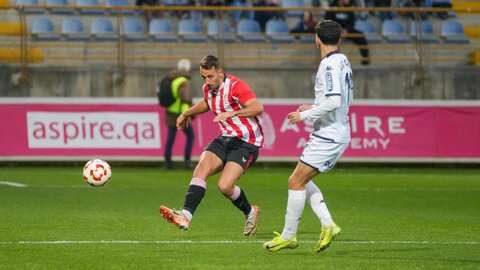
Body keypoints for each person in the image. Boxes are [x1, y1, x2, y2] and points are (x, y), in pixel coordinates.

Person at [263, 20, 353, 253]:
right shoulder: (342, 60)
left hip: (329, 134)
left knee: (295, 181)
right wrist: (313, 105)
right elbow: (336, 98)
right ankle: (328, 224)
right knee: (303, 179)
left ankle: (289, 236)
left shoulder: (329, 65)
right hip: (334, 131)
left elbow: (334, 101)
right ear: (339, 40)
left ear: (317, 39)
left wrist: (305, 116)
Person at [160, 55, 264, 236]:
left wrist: (233, 114)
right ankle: (185, 215)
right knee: (201, 169)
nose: (207, 81)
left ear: (220, 72)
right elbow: (207, 103)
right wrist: (186, 113)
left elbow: (257, 107)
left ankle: (250, 212)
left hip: (246, 141)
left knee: (225, 186)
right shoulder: (208, 89)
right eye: (203, 77)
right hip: (225, 138)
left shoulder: (235, 86)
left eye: (210, 76)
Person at [163, 59, 195, 170]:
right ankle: (187, 161)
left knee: (170, 139)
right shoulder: (183, 81)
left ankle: (167, 162)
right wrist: (189, 101)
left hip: (171, 112)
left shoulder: (174, 80)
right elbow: (182, 96)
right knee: (191, 136)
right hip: (181, 114)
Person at [325, 0, 370, 65]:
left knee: (360, 35)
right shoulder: (332, 7)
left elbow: (352, 22)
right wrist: (339, 30)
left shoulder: (349, 7)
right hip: (335, 31)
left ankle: (365, 58)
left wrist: (347, 29)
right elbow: (329, 21)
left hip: (347, 31)